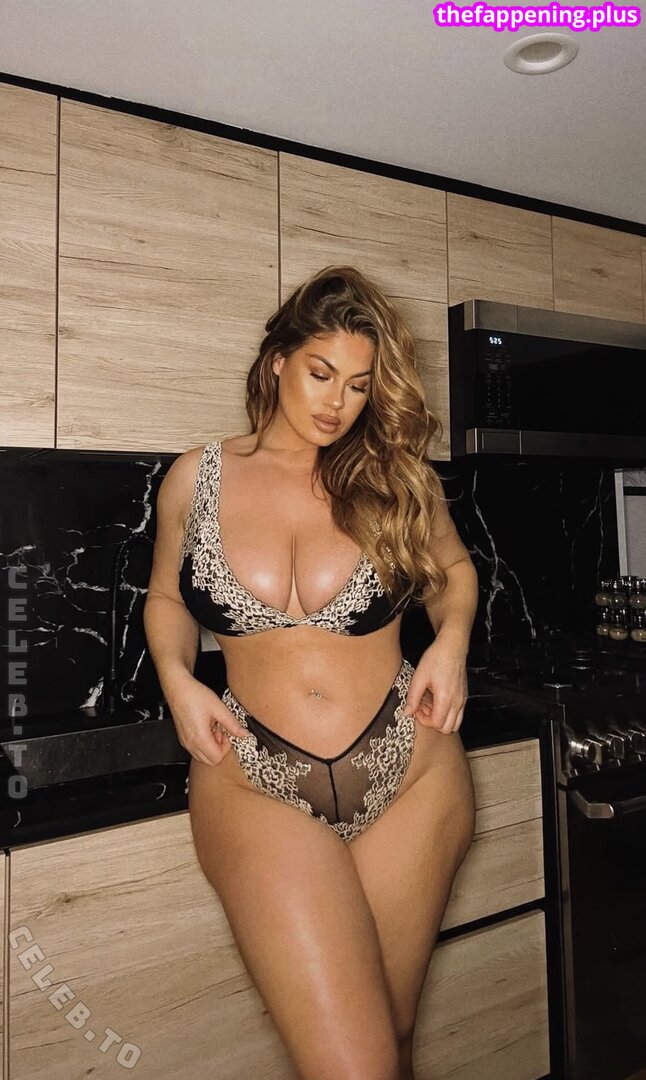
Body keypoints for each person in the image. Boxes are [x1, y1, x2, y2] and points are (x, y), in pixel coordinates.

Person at [143, 265, 479, 1080]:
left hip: (410, 768)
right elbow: (167, 598)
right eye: (321, 374)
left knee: (394, 1042)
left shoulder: (394, 477)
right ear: (278, 362)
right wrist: (179, 682)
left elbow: (455, 572)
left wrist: (450, 643)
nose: (338, 403)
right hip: (253, 775)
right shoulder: (196, 478)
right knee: (354, 1065)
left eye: (359, 385)